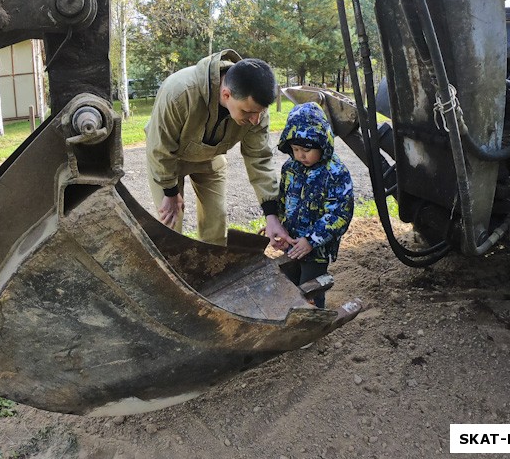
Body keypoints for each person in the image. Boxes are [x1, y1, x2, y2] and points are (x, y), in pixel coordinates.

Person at [145, 49, 291, 247]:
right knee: (171, 226)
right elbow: (159, 148)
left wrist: (271, 215)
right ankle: (172, 273)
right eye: (248, 112)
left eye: (260, 113)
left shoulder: (256, 112)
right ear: (226, 94)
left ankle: (212, 272)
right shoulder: (180, 92)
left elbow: (259, 158)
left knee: (216, 223)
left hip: (210, 158)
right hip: (170, 160)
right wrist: (170, 192)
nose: (255, 120)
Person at [274, 101, 354, 308]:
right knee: (289, 286)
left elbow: (339, 215)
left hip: (316, 250)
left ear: (322, 143)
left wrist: (311, 240)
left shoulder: (335, 173)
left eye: (307, 150)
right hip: (292, 244)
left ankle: (311, 325)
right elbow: (282, 201)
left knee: (311, 290)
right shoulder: (290, 169)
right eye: (295, 149)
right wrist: (279, 228)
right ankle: (289, 323)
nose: (301, 155)